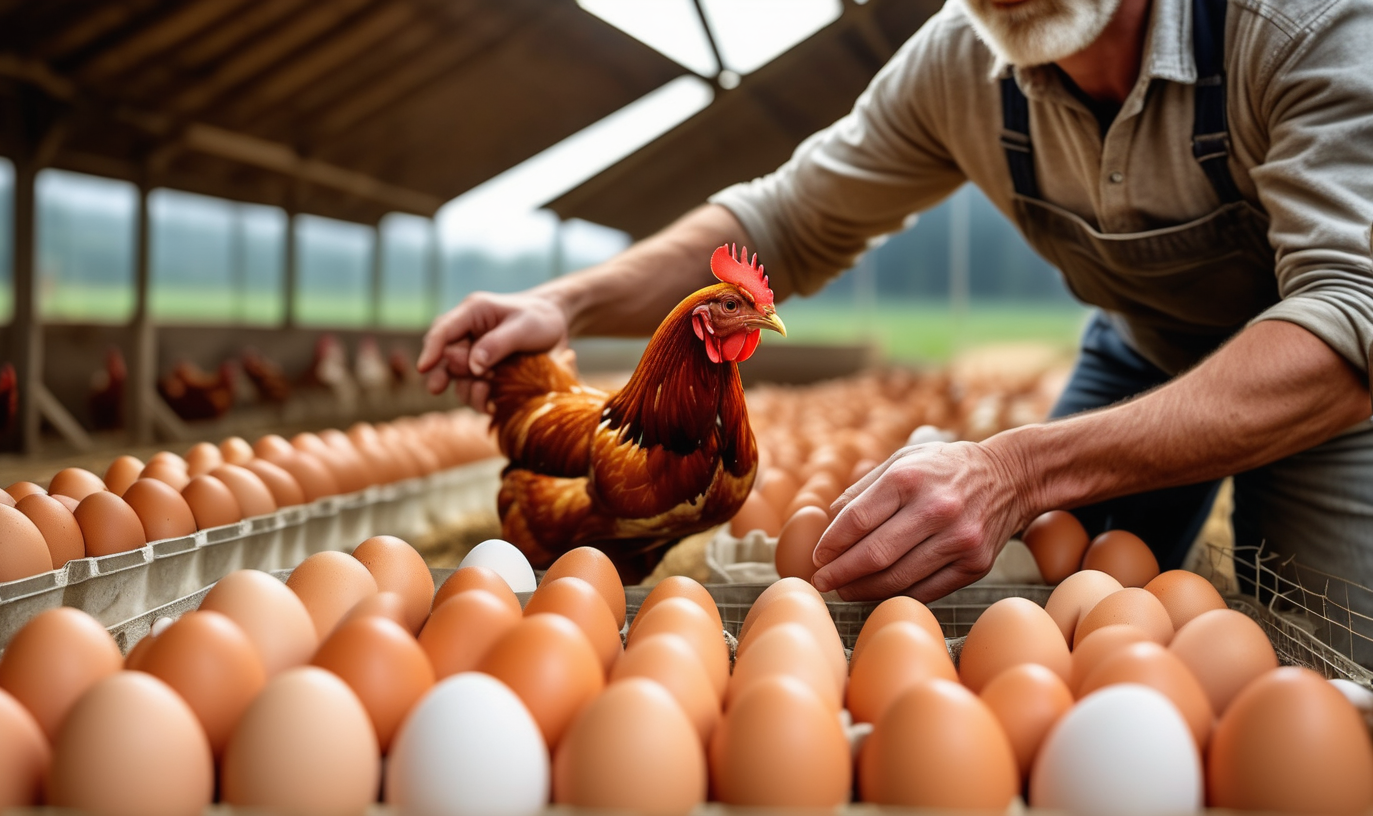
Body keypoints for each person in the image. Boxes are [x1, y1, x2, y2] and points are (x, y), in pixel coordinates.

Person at [419, 0, 1373, 605]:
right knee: (1076, 607)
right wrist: (568, 303)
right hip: (1143, 347)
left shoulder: (1300, 26)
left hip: (1332, 379)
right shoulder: (961, 57)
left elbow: (1352, 312)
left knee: (1326, 640)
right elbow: (785, 218)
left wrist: (1017, 470)